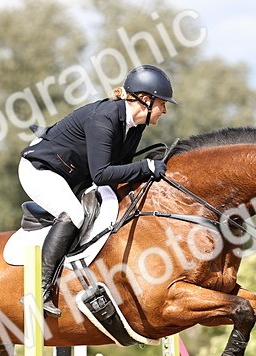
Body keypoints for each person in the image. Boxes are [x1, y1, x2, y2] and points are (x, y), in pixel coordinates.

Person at [19, 64, 175, 316]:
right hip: (41, 169)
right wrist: (145, 167)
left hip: (72, 174)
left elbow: (119, 168)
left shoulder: (135, 124)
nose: (165, 110)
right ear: (145, 100)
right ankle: (39, 290)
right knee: (74, 213)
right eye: (162, 103)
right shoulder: (104, 117)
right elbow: (102, 174)